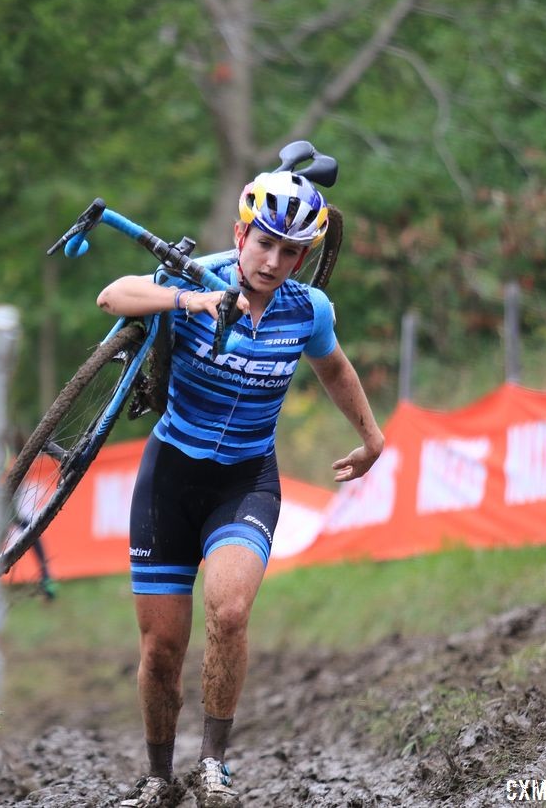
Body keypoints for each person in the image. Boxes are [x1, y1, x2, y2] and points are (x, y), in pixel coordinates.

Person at [95, 171, 384, 808]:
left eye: (290, 252)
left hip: (244, 481)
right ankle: (158, 775)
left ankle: (213, 767)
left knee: (228, 611)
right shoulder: (200, 276)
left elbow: (333, 365)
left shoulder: (308, 309)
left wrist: (372, 439)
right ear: (240, 234)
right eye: (264, 244)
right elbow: (112, 297)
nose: (273, 262)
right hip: (168, 477)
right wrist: (189, 303)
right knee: (162, 648)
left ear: (303, 257)